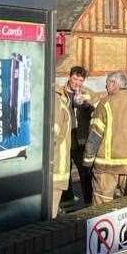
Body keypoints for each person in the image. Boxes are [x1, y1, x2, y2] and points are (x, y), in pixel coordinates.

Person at [82, 71, 127, 205]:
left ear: (114, 83)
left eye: (107, 83)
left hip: (106, 168)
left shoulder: (105, 103)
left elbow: (95, 135)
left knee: (102, 208)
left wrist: (87, 162)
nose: (106, 87)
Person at [63, 66, 96, 205]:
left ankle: (88, 203)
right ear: (69, 76)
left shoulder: (87, 93)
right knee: (65, 173)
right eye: (75, 78)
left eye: (80, 80)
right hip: (65, 140)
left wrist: (87, 104)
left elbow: (96, 109)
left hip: (80, 139)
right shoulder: (60, 92)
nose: (77, 83)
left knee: (85, 172)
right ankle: (68, 202)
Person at [50, 80, 72, 217]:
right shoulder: (59, 102)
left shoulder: (55, 104)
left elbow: (52, 137)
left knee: (49, 218)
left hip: (55, 169)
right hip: (57, 168)